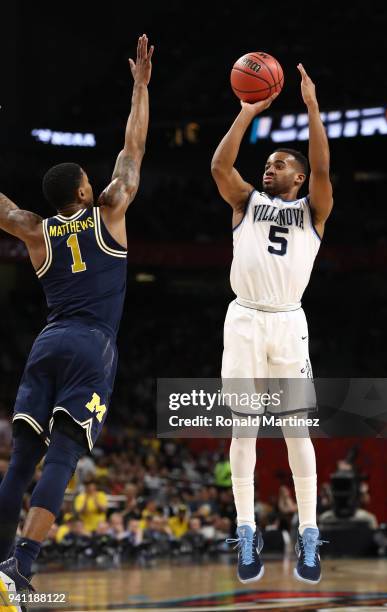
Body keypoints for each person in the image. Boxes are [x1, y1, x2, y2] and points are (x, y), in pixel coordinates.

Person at [0, 34, 153, 600]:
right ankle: (21, 566)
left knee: (20, 464)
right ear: (86, 189)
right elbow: (132, 150)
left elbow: (4, 208)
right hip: (93, 344)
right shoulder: (110, 210)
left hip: (46, 342)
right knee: (62, 456)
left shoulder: (35, 230)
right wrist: (139, 88)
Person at [211, 64, 333, 584]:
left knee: (294, 430)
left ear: (298, 177)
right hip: (243, 319)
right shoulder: (246, 202)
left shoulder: (314, 209)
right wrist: (245, 114)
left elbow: (325, 169)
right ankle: (245, 532)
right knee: (243, 429)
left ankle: (308, 534)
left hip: (287, 323)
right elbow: (220, 165)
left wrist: (311, 109)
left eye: (279, 163)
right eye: (267, 162)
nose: (269, 167)